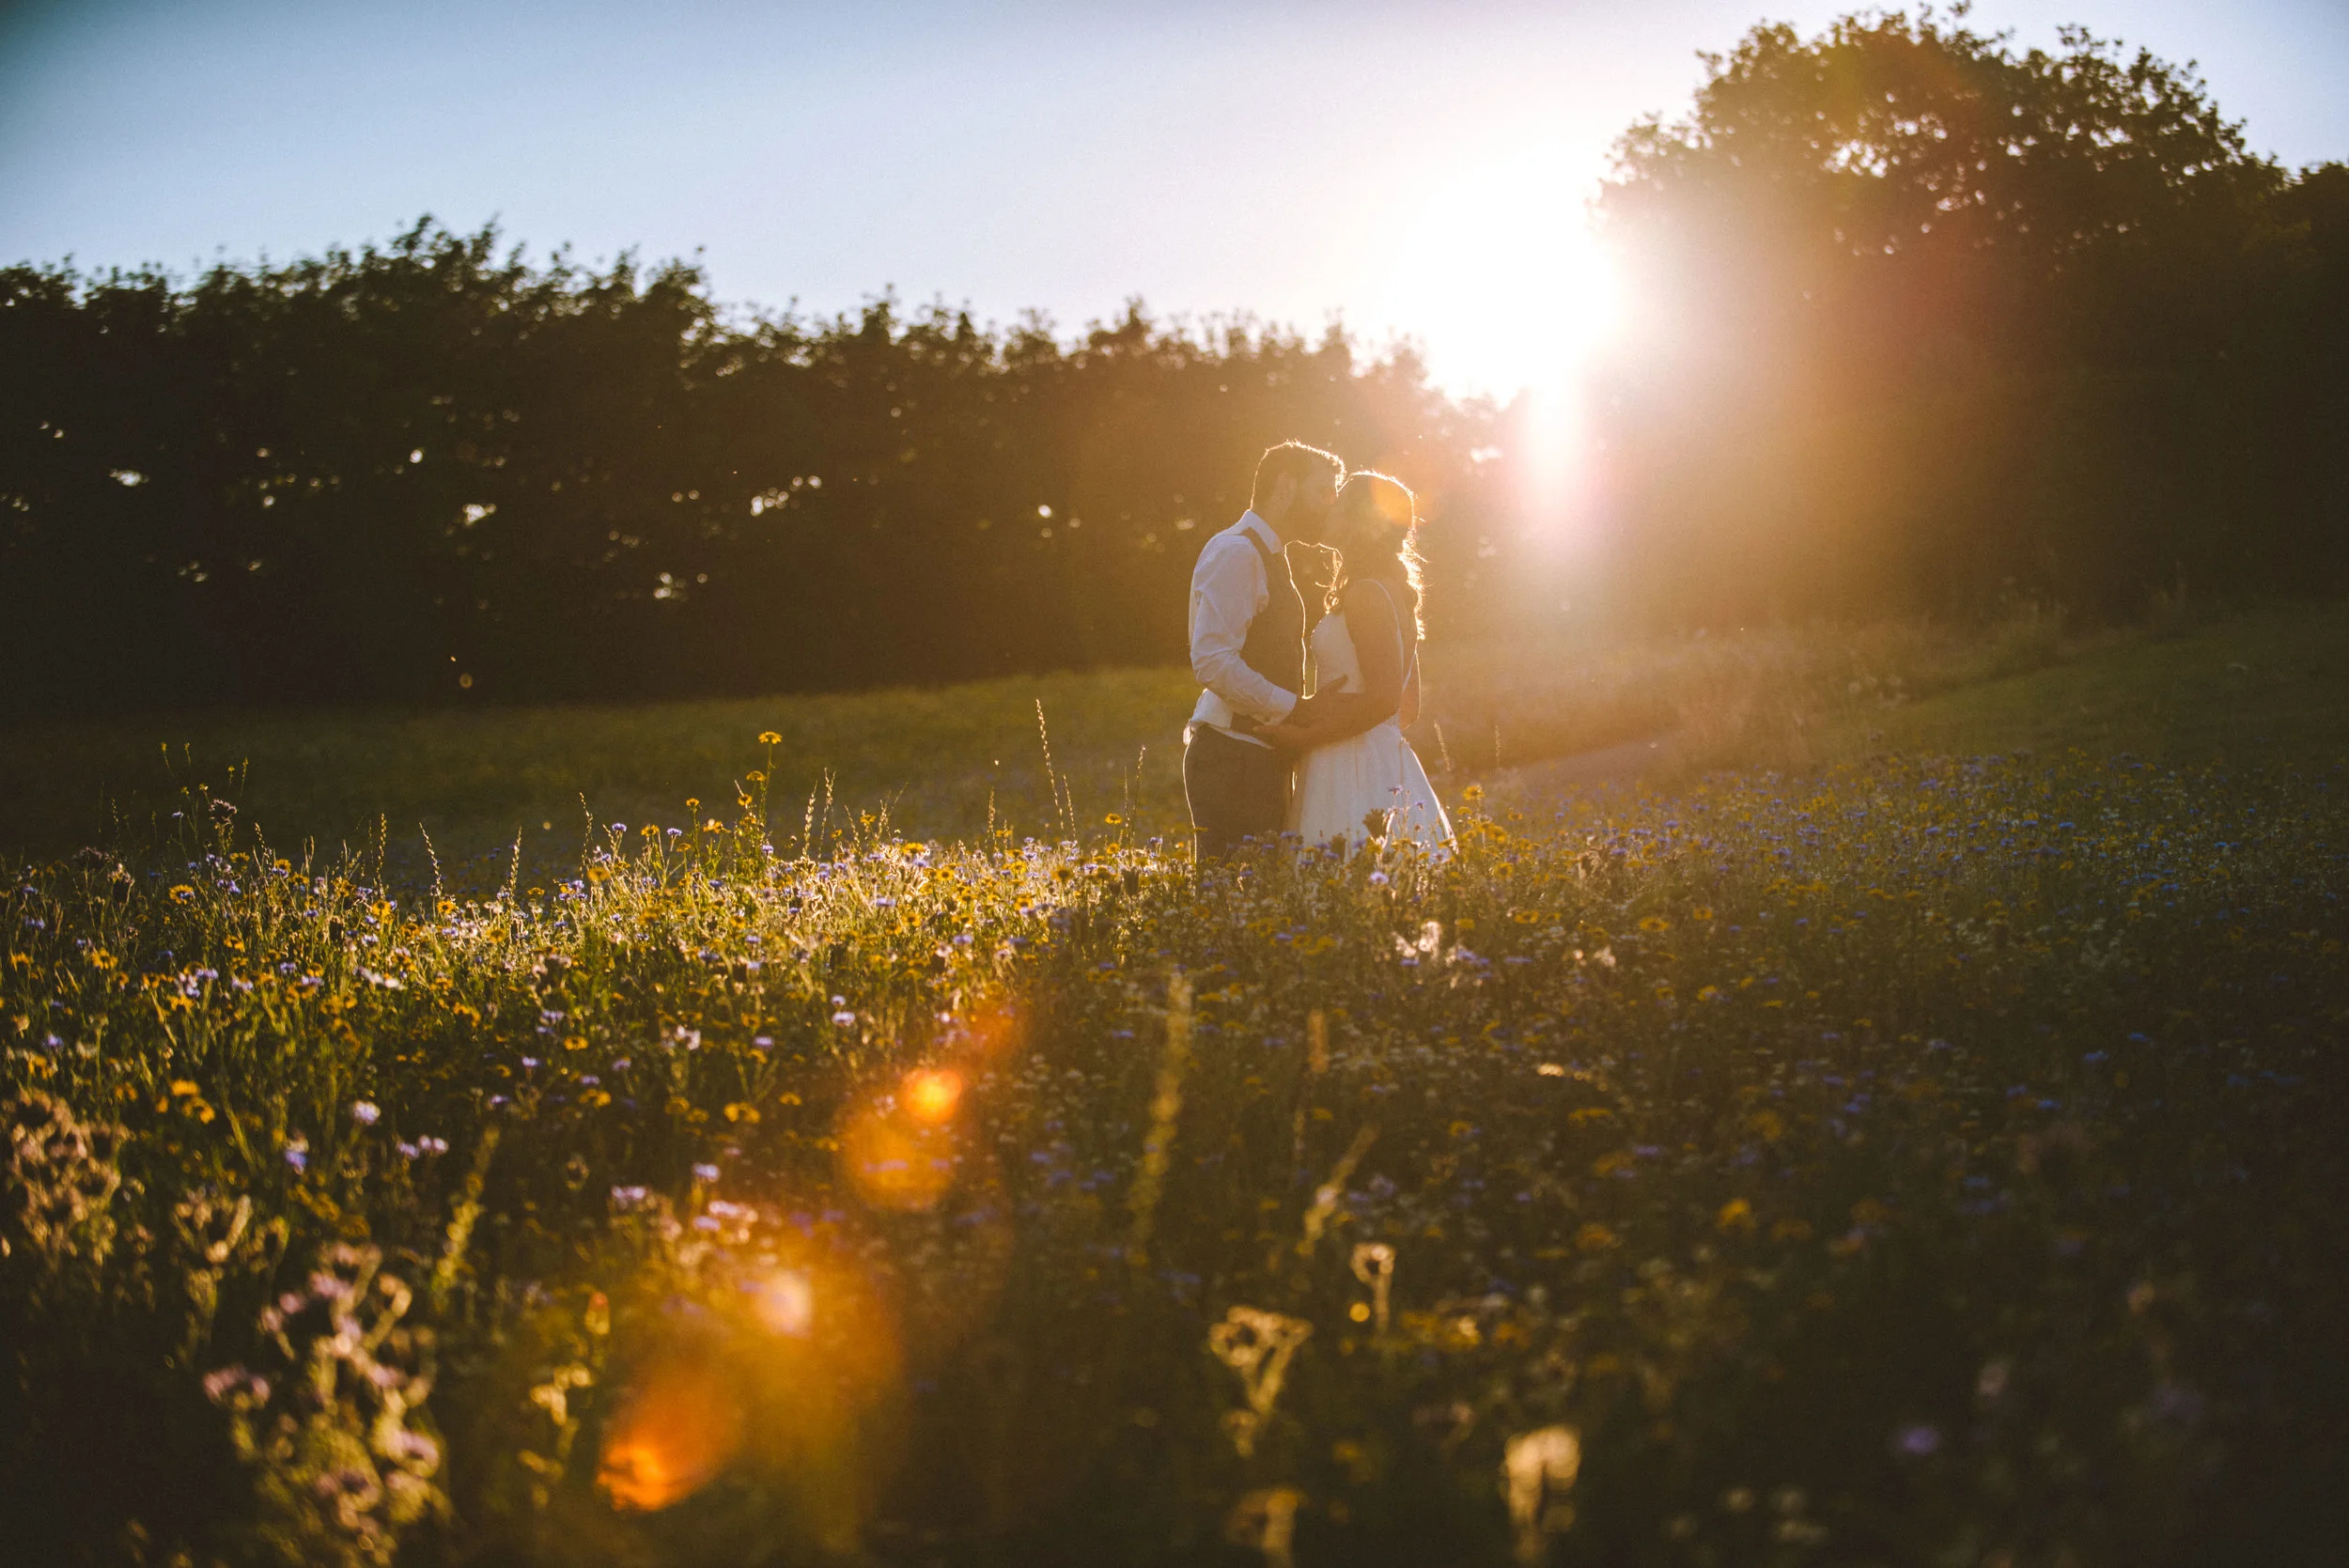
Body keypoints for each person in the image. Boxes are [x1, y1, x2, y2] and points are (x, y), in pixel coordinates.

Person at [1257, 471, 1453, 856]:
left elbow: (1385, 701)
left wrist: (1304, 737)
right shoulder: (1388, 589)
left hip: (1346, 764)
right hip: (1382, 760)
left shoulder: (1367, 594)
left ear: (1358, 520)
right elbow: (1407, 708)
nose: (1328, 505)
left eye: (1339, 499)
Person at [1182, 440, 1343, 862]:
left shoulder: (1269, 554)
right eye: (1323, 492)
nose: (1331, 505)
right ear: (1287, 487)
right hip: (1231, 759)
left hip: (1253, 758)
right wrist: (1296, 708)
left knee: (1259, 907)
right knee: (1229, 907)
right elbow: (1212, 660)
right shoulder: (1237, 552)